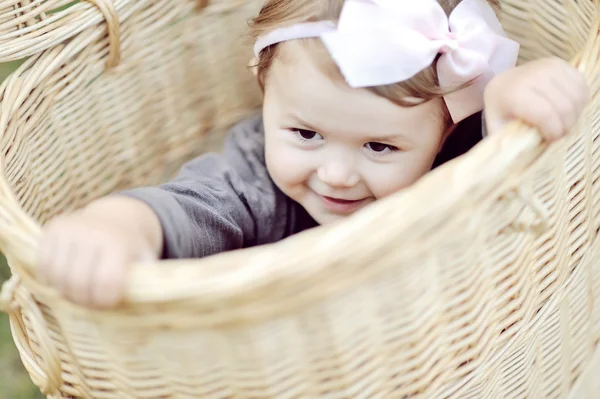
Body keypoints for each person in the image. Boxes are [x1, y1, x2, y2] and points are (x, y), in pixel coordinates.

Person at [37, 0, 590, 308]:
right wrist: (115, 226)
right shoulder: (254, 180)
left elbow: (505, 149)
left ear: (446, 128)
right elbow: (189, 207)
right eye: (304, 134)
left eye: (378, 146)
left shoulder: (453, 142)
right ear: (263, 86)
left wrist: (510, 94)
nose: (336, 174)